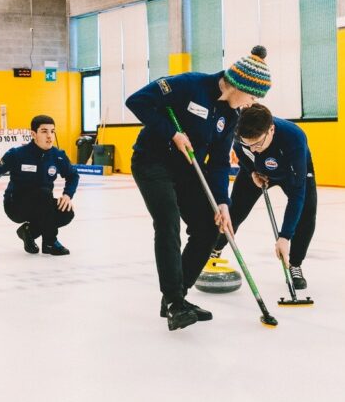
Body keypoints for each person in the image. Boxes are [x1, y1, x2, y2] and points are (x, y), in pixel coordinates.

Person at [126, 46, 271, 331]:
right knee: (167, 222)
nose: (250, 103)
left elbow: (218, 163)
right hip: (152, 162)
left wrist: (223, 203)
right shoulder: (190, 84)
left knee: (209, 227)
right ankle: (174, 303)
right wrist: (172, 133)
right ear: (239, 86)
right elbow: (137, 101)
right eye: (252, 95)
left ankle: (177, 294)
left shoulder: (230, 117)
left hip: (188, 169)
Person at [211, 103, 317, 289]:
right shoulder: (240, 134)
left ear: (271, 130)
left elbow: (297, 194)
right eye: (248, 144)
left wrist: (284, 237)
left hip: (290, 172)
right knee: (234, 211)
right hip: (256, 171)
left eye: (257, 143)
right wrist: (252, 171)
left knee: (306, 214)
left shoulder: (294, 139)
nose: (253, 149)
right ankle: (214, 249)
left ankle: (294, 264)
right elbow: (240, 151)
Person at [0, 115, 79, 256]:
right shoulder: (17, 154)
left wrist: (67, 194)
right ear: (33, 134)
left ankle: (29, 231)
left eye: (52, 131)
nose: (50, 136)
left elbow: (73, 176)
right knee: (44, 193)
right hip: (16, 205)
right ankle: (50, 242)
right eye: (44, 131)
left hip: (41, 204)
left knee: (66, 213)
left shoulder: (58, 156)